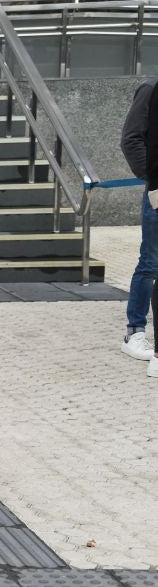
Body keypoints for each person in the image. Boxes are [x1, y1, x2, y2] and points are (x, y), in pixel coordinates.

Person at [119, 75, 158, 371]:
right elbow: (131, 138)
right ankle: (135, 330)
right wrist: (153, 178)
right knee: (151, 262)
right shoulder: (151, 88)